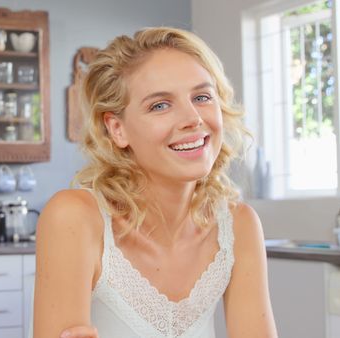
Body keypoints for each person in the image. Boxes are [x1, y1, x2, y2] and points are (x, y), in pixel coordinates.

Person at [32, 27, 278, 338]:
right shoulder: (75, 217)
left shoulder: (238, 225)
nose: (193, 118)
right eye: (160, 105)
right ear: (117, 129)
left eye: (202, 96)